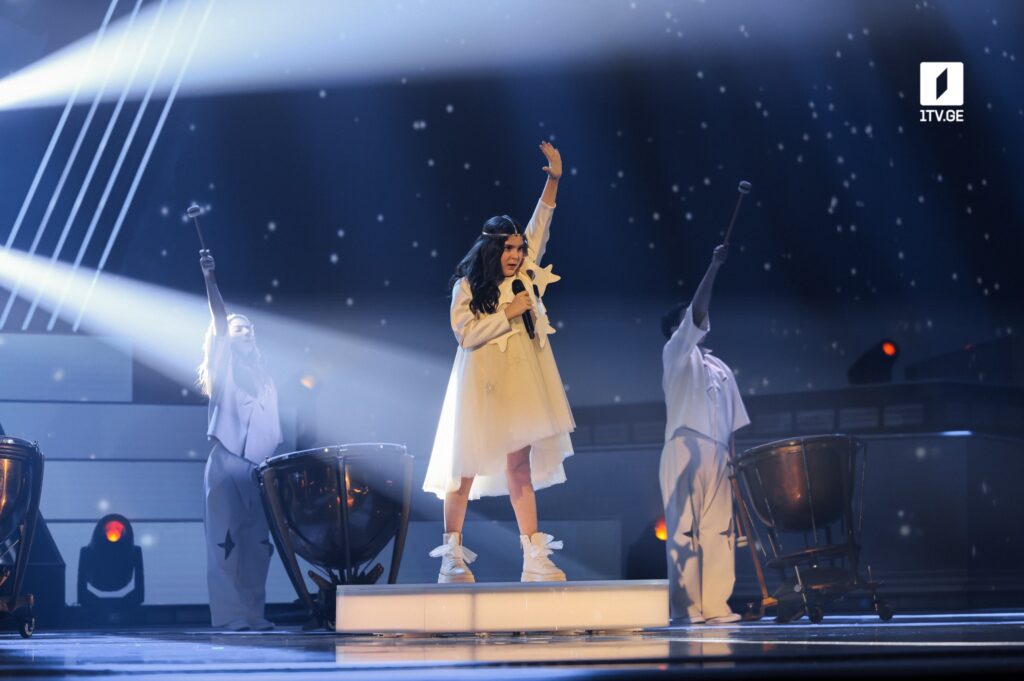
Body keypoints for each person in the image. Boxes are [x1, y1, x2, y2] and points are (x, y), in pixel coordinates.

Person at [423, 141, 575, 583]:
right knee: (464, 468)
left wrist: (553, 179)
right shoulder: (468, 286)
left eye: (519, 248)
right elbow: (464, 333)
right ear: (491, 249)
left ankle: (534, 557)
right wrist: (506, 314)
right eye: (508, 248)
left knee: (519, 467)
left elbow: (541, 222)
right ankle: (451, 557)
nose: (516, 255)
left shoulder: (526, 275)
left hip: (519, 386)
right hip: (481, 385)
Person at [659, 244, 750, 624]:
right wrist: (713, 266)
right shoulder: (676, 353)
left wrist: (734, 465)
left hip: (719, 452)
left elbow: (734, 422)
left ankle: (715, 606)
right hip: (684, 443)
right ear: (676, 329)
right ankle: (685, 608)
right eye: (689, 319)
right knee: (684, 529)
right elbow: (697, 312)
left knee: (719, 531)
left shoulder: (721, 367)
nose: (700, 318)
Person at [196, 248, 283, 630]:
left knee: (257, 545)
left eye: (248, 328)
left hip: (258, 468)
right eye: (238, 328)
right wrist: (211, 280)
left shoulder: (266, 380)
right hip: (226, 460)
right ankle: (229, 615)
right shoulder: (223, 366)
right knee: (225, 542)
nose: (244, 331)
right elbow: (218, 320)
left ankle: (253, 613)